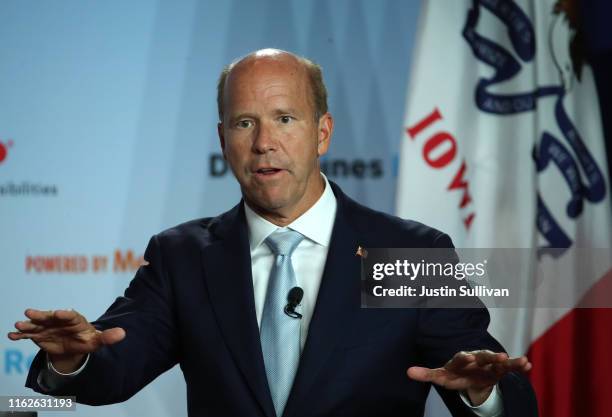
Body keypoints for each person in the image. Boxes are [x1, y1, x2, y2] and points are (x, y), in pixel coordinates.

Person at [8, 49, 537, 417]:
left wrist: (482, 394)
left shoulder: (409, 253)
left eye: (285, 119)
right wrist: (71, 360)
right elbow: (113, 373)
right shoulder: (182, 257)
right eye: (244, 123)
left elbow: (502, 396)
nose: (264, 143)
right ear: (223, 139)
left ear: (322, 132)